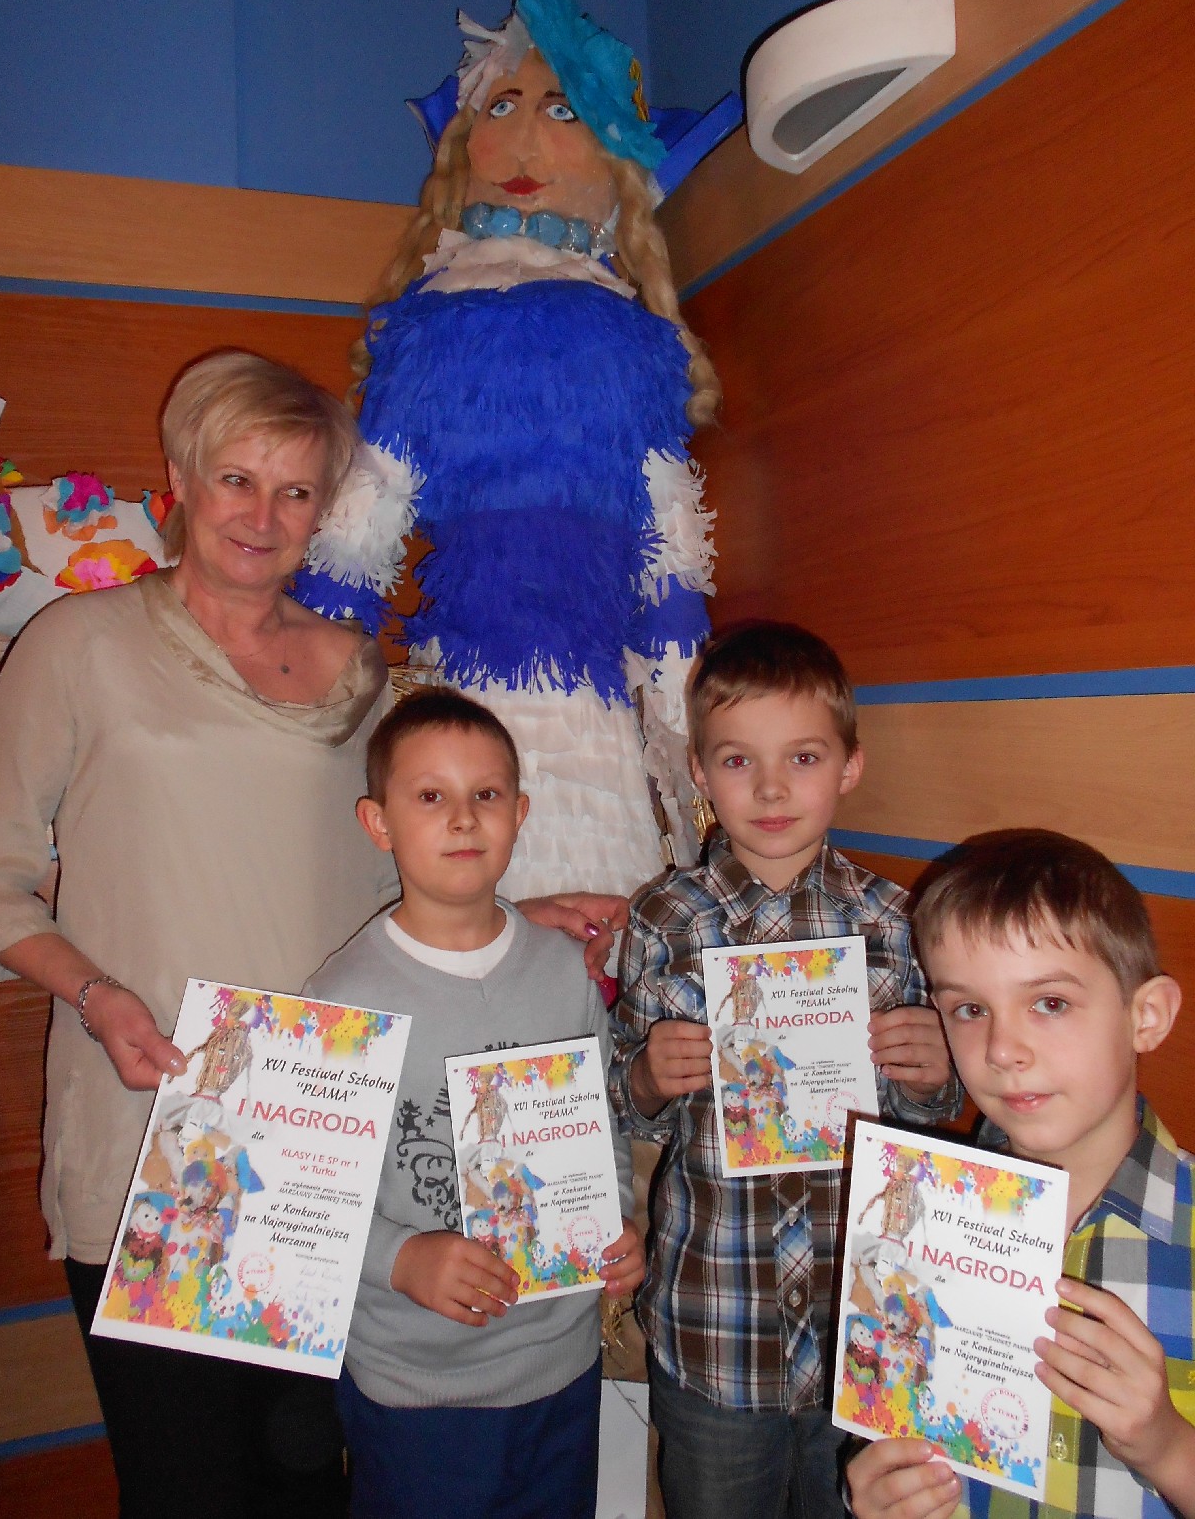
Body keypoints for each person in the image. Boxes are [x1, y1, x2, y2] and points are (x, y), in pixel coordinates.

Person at [0, 350, 624, 1519]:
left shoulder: (360, 674)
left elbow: (394, 851)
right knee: (190, 1483)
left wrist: (511, 916)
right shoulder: (78, 644)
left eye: (296, 491)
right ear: (179, 482)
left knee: (310, 1479)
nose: (263, 515)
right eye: (236, 480)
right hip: (165, 1130)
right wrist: (98, 998)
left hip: (328, 1142)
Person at [291, 0, 738, 920]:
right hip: (464, 700)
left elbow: (668, 539)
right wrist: (301, 683)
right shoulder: (433, 325)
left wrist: (685, 715)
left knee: (604, 920)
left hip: (599, 705)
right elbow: (364, 519)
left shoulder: (633, 341)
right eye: (503, 105)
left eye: (562, 108)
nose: (528, 135)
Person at [608, 620, 960, 1519]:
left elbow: (925, 1120)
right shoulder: (665, 920)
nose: (770, 788)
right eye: (738, 760)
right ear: (698, 770)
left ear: (849, 765)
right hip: (715, 1332)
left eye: (803, 757)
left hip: (863, 1337)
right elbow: (626, 1103)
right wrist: (647, 1075)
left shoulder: (894, 923)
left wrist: (932, 1074)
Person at [305, 687, 645, 1519]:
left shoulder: (564, 972)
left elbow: (600, 1124)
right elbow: (304, 1198)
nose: (463, 817)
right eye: (431, 796)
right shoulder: (341, 999)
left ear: (520, 813)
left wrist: (618, 1219)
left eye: (486, 793)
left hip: (562, 1367)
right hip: (417, 1384)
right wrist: (401, 1258)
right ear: (378, 823)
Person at [847, 828, 1195, 1519]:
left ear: (1146, 1015)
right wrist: (877, 1497)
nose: (1002, 1049)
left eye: (1049, 1002)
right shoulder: (910, 1215)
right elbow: (893, 1431)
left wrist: (1167, 1445)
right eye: (970, 1010)